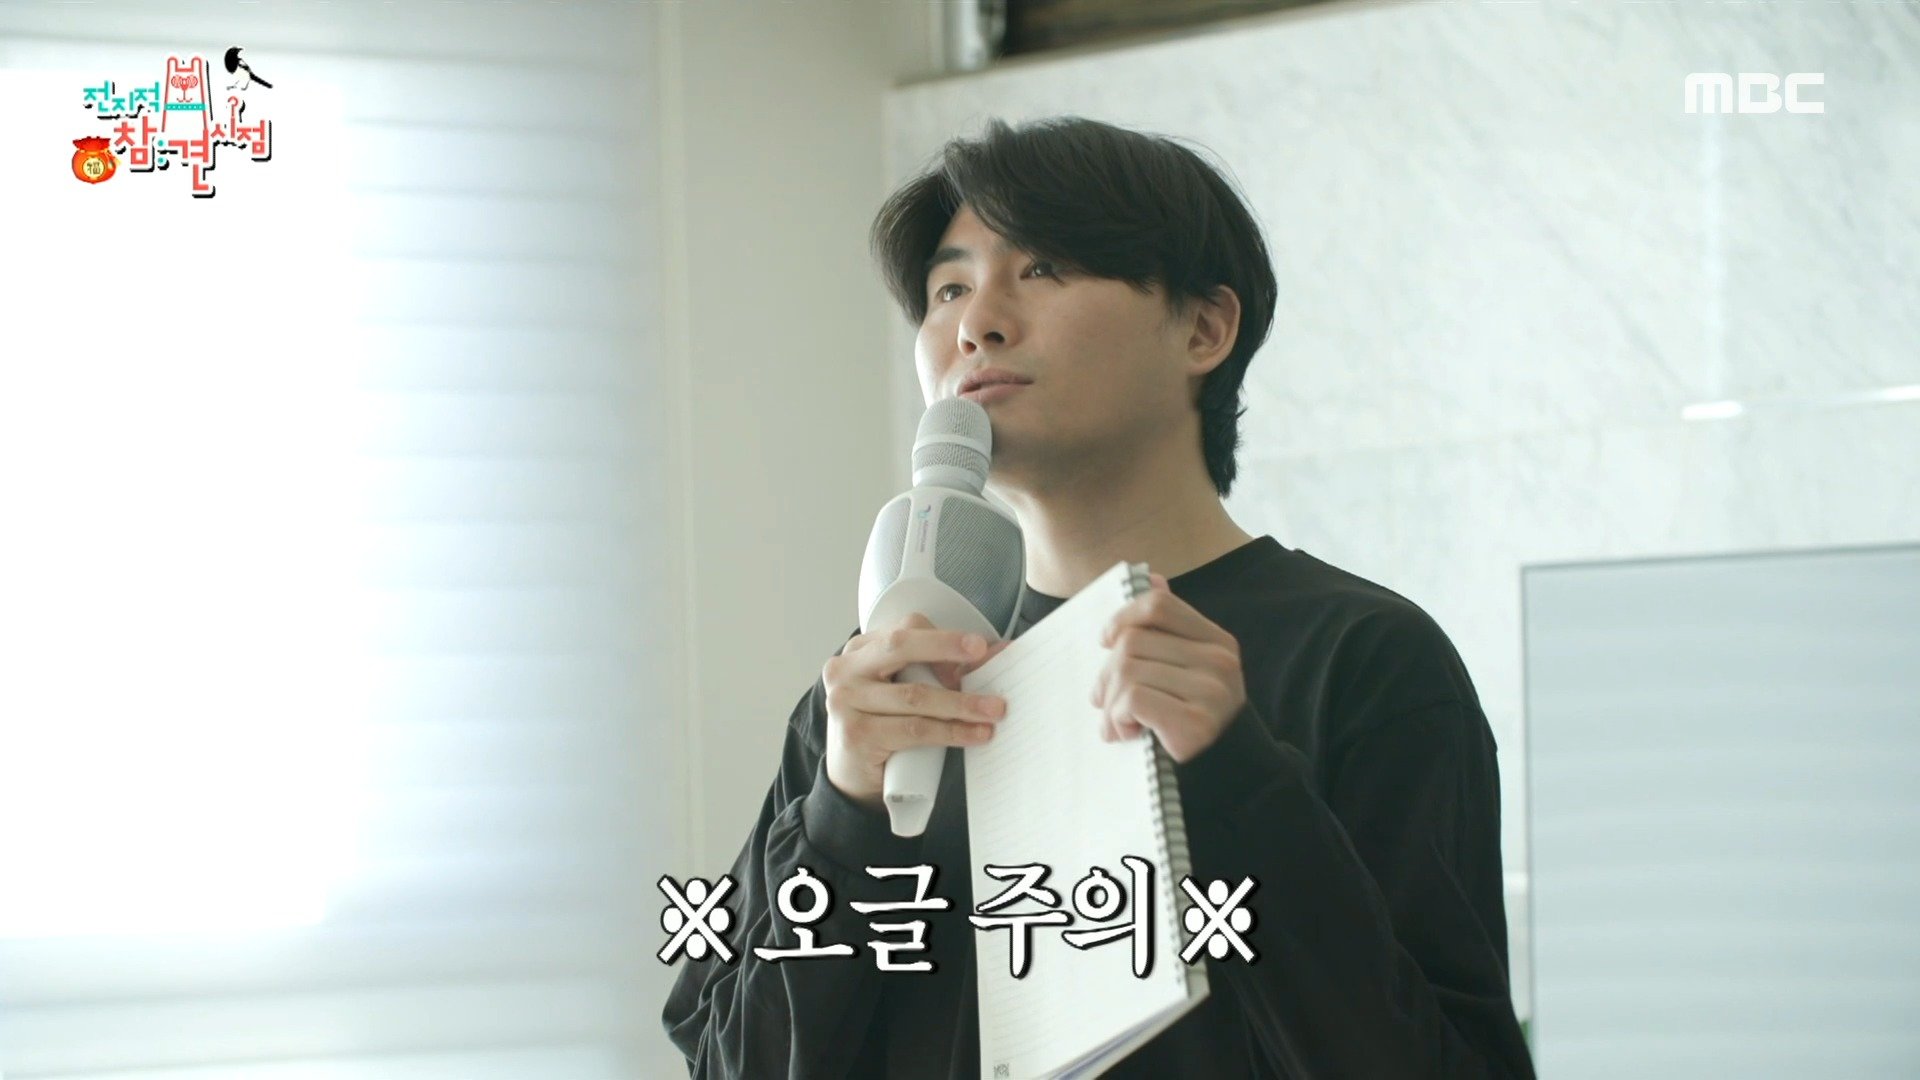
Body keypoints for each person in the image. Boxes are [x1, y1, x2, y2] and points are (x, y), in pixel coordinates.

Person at [663, 115, 1535, 1078]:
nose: (976, 324)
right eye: (949, 288)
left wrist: (1239, 776)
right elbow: (730, 1061)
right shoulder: (878, 691)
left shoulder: (1364, 659)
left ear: (1203, 329)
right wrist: (842, 814)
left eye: (1041, 269)